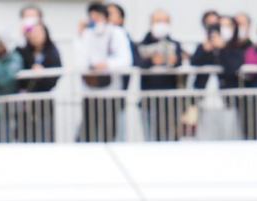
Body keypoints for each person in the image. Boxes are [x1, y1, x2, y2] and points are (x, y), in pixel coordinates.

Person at [77, 2, 133, 142]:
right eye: (92, 17)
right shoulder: (86, 34)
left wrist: (107, 64)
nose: (95, 21)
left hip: (111, 92)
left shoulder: (117, 33)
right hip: (90, 91)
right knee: (87, 131)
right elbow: (80, 59)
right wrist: (79, 35)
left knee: (109, 131)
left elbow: (126, 60)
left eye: (98, 17)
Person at [138, 10, 184, 141]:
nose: (161, 25)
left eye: (165, 21)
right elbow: (138, 62)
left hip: (171, 99)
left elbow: (179, 62)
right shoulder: (142, 44)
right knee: (151, 137)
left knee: (171, 136)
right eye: (158, 21)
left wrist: (173, 61)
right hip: (148, 99)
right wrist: (151, 61)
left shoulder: (175, 44)